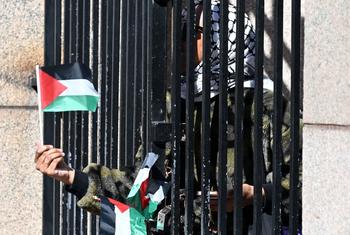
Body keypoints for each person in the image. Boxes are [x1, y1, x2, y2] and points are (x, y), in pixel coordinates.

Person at [35, 0, 302, 233]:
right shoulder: (175, 102)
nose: (181, 41)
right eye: (180, 30)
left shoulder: (268, 106)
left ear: (223, 38)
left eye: (192, 32)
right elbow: (141, 186)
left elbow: (308, 186)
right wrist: (72, 177)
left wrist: (257, 195)